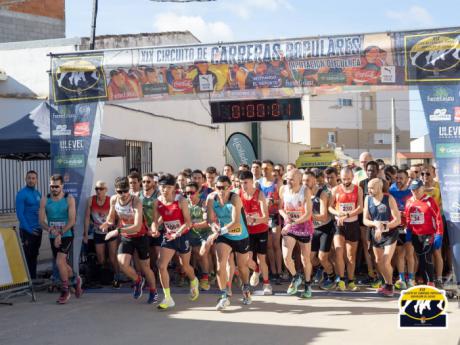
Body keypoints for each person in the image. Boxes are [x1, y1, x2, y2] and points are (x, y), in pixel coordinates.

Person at [100, 177, 158, 305]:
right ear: (116, 191)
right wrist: (106, 223)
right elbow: (111, 218)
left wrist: (117, 231)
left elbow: (137, 226)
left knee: (146, 267)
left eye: (126, 191)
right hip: (127, 237)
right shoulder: (114, 199)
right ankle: (138, 280)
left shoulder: (136, 201)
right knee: (122, 264)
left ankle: (153, 291)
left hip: (140, 236)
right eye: (120, 191)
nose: (124, 194)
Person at [151, 174, 199, 310]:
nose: (164, 190)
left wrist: (176, 233)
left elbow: (188, 223)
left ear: (173, 188)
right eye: (162, 187)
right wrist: (154, 229)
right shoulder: (157, 202)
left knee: (185, 266)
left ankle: (194, 280)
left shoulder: (181, 200)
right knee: (161, 265)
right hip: (169, 237)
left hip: (182, 235)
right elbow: (155, 221)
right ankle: (168, 298)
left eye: (168, 187)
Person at [206, 175, 251, 310]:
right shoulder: (211, 199)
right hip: (224, 236)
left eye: (224, 187)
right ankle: (224, 295)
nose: (221, 190)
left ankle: (246, 289)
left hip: (240, 235)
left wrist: (219, 231)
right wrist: (213, 226)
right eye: (218, 187)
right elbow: (209, 219)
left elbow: (236, 221)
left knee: (242, 267)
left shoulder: (235, 198)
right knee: (220, 265)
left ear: (229, 187)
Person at [39, 174, 81, 304]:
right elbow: (41, 221)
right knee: (62, 263)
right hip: (52, 235)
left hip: (66, 234)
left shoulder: (69, 199)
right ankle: (76, 279)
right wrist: (51, 230)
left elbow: (72, 220)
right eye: (52, 186)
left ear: (62, 186)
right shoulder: (45, 199)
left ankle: (65, 290)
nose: (54, 189)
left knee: (59, 261)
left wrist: (60, 233)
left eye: (56, 186)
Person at [279, 169, 314, 298]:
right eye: (287, 178)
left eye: (292, 179)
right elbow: (280, 208)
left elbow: (308, 214)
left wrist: (292, 223)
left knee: (305, 258)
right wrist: (286, 218)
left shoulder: (305, 191)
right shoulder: (283, 189)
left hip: (304, 226)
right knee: (286, 257)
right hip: (290, 227)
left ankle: (308, 284)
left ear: (299, 180)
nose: (289, 181)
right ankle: (295, 277)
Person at [363, 179, 401, 297]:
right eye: (368, 188)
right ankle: (386, 283)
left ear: (379, 188)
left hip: (390, 233)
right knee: (379, 261)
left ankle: (390, 286)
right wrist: (376, 224)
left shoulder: (389, 198)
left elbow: (397, 220)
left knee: (385, 261)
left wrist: (384, 226)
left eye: (371, 188)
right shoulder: (367, 199)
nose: (369, 190)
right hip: (376, 233)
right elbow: (365, 220)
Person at [329, 167, 363, 291]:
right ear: (340, 177)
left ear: (352, 177)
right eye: (343, 179)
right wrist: (338, 214)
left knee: (350, 256)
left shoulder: (357, 189)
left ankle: (351, 281)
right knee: (338, 252)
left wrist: (347, 215)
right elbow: (330, 207)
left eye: (348, 179)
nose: (346, 181)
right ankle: (341, 279)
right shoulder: (335, 189)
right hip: (339, 225)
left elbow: (360, 208)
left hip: (352, 224)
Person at [238, 170, 272, 295]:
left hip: (261, 231)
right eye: (241, 183)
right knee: (247, 260)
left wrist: (252, 220)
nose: (244, 186)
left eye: (246, 182)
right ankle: (256, 271)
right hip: (247, 233)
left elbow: (265, 217)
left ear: (252, 181)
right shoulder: (239, 194)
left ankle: (267, 284)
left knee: (261, 258)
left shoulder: (259, 194)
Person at [405, 179, 444, 286]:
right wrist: (408, 232)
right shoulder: (409, 201)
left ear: (422, 188)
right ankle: (424, 280)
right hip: (415, 235)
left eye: (417, 190)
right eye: (412, 190)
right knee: (420, 258)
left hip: (429, 234)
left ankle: (431, 282)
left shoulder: (429, 200)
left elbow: (438, 218)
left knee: (426, 257)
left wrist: (439, 234)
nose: (415, 192)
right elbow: (408, 218)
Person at [83, 180, 120, 288]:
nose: (98, 191)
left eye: (101, 189)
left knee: (112, 258)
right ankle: (106, 275)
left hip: (110, 232)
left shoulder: (110, 200)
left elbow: (118, 217)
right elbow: (86, 217)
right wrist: (85, 234)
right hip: (98, 232)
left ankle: (117, 277)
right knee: (101, 259)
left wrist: (117, 230)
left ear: (106, 190)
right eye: (96, 189)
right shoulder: (91, 200)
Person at [304, 171, 336, 290]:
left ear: (314, 180)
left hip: (325, 228)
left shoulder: (322, 193)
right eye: (303, 181)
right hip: (313, 229)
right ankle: (322, 269)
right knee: (311, 258)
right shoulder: (304, 193)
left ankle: (331, 277)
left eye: (307, 180)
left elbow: (323, 215)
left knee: (323, 257)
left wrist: (308, 216)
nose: (305, 183)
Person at [390, 170, 415, 289]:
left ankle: (411, 279)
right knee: (399, 254)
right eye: (397, 178)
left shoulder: (411, 191)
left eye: (401, 178)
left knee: (409, 254)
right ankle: (401, 279)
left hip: (409, 226)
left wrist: (405, 213)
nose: (398, 180)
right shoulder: (392, 190)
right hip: (397, 226)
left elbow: (416, 208)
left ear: (407, 179)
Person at [186, 182, 213, 291]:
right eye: (187, 193)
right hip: (190, 235)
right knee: (195, 256)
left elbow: (208, 222)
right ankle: (194, 277)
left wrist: (192, 224)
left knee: (202, 254)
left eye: (191, 193)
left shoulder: (203, 204)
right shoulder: (185, 204)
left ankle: (205, 279)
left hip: (205, 234)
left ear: (198, 192)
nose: (189, 195)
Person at [259, 160, 283, 285]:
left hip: (274, 216)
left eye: (267, 168)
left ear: (272, 169)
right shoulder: (258, 183)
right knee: (268, 246)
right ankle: (273, 271)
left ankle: (279, 271)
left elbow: (282, 202)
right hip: (263, 217)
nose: (264, 170)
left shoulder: (277, 183)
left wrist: (273, 202)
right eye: (263, 168)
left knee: (275, 245)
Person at [16, 170, 42, 280]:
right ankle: (27, 281)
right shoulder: (21, 194)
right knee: (27, 257)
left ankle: (33, 279)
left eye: (33, 178)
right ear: (25, 179)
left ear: (36, 180)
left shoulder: (38, 194)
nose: (31, 180)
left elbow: (42, 210)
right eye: (29, 178)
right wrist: (29, 230)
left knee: (34, 255)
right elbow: (20, 215)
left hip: (38, 229)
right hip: (27, 231)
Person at [421, 165, 444, 288]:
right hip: (421, 225)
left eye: (428, 174)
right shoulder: (418, 187)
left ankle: (439, 278)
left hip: (435, 223)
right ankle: (427, 278)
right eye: (422, 174)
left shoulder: (438, 187)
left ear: (434, 174)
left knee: (436, 251)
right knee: (423, 253)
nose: (425, 176)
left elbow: (441, 206)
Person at [139, 173, 161, 275]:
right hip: (144, 229)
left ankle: (159, 274)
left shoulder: (159, 195)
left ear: (153, 182)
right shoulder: (138, 196)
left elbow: (164, 213)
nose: (145, 183)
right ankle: (149, 275)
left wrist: (155, 227)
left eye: (148, 181)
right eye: (143, 181)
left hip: (158, 228)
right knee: (147, 254)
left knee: (158, 254)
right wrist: (146, 228)